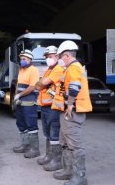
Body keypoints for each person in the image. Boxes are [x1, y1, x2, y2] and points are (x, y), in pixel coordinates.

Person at [52, 41, 92, 185]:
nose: (59, 60)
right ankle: (68, 171)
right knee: (65, 143)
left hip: (73, 111)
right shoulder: (70, 68)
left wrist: (69, 105)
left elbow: (74, 88)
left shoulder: (74, 68)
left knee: (75, 145)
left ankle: (80, 176)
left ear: (67, 55)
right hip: (68, 111)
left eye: (60, 57)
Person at [35, 46, 64, 171]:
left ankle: (56, 161)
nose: (48, 59)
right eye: (46, 57)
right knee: (47, 132)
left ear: (57, 56)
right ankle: (49, 156)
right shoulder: (49, 70)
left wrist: (41, 83)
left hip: (54, 106)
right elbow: (39, 84)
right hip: (46, 105)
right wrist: (41, 83)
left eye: (50, 56)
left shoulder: (58, 69)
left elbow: (43, 83)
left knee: (54, 133)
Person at [13, 49, 40, 158]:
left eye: (24, 59)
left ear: (30, 59)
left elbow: (32, 87)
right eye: (21, 58)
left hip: (29, 102)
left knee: (31, 124)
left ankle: (34, 149)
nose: (22, 60)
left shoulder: (33, 70)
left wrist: (19, 95)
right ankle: (25, 145)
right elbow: (19, 85)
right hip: (20, 102)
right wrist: (15, 97)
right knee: (21, 124)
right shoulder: (21, 70)